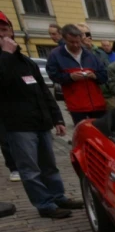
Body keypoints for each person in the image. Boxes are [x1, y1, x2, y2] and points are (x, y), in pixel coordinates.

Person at [0, 11, 83, 218]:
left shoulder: (25, 61)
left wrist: (56, 117)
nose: (3, 34)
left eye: (5, 29)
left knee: (49, 165)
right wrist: (6, 55)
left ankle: (58, 197)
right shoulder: (5, 59)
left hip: (40, 121)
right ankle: (45, 204)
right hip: (18, 125)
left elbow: (43, 91)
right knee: (30, 169)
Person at [46, 24, 107, 124]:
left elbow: (104, 76)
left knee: (101, 133)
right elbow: (54, 76)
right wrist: (70, 77)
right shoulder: (56, 55)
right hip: (77, 106)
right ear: (64, 39)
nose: (75, 45)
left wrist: (95, 76)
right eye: (72, 42)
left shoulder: (90, 55)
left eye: (78, 42)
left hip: (97, 104)